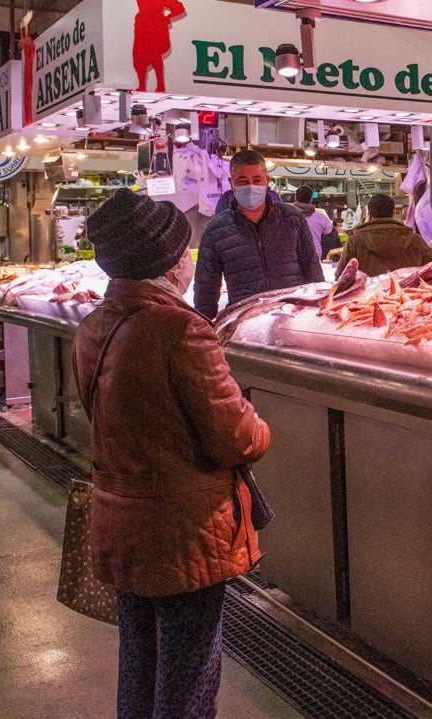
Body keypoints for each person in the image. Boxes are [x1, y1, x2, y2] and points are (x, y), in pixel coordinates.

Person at [75, 188, 271, 719]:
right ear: (167, 262)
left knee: (139, 667)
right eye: (184, 252)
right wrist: (259, 426)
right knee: (189, 678)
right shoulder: (179, 328)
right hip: (184, 533)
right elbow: (237, 437)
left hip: (121, 520)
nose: (189, 261)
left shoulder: (92, 326)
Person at [194, 150, 324, 320]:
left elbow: (312, 270)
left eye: (257, 180)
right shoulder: (215, 230)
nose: (250, 186)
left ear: (267, 181)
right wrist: (203, 328)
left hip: (294, 318)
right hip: (246, 324)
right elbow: (206, 290)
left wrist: (319, 311)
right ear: (231, 183)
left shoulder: (292, 218)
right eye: (242, 181)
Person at [338, 193, 432, 275]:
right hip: (407, 298)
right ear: (393, 213)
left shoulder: (354, 241)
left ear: (369, 215)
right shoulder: (415, 239)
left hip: (368, 299)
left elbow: (341, 277)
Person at [293, 186, 334, 260]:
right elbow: (330, 232)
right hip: (315, 252)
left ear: (295, 197)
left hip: (294, 252)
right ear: (311, 199)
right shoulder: (320, 216)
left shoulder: (287, 214)